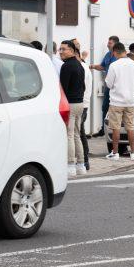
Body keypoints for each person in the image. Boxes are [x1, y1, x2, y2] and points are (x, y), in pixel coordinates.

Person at [105, 43, 134, 161]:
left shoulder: (114, 65)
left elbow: (109, 83)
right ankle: (133, 153)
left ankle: (115, 153)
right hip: (131, 101)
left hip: (116, 101)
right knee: (130, 127)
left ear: (115, 52)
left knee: (115, 127)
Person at [58, 40, 86, 176]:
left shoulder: (67, 66)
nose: (61, 52)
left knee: (69, 135)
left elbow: (62, 88)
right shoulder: (79, 65)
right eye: (60, 49)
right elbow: (84, 86)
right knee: (76, 135)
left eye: (63, 49)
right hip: (79, 103)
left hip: (70, 104)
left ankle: (70, 165)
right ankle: (81, 165)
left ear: (72, 50)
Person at [90, 35, 120, 137]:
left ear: (115, 44)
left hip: (117, 87)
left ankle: (115, 130)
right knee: (105, 107)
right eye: (108, 42)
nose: (108, 44)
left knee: (116, 108)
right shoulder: (108, 55)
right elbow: (103, 66)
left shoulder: (119, 57)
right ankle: (104, 129)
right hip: (108, 86)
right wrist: (93, 66)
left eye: (110, 43)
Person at [77, 46, 92, 170]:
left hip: (81, 104)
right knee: (80, 133)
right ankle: (84, 160)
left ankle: (85, 160)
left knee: (79, 133)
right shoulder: (84, 67)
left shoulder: (82, 68)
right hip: (83, 104)